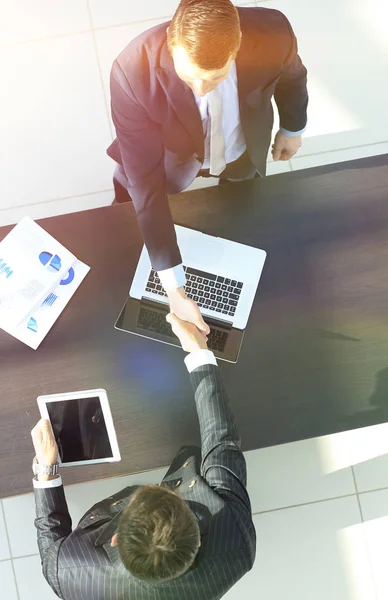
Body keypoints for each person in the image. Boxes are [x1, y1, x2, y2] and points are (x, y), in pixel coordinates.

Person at [107, 0, 308, 332]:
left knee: (242, 213)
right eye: (191, 77)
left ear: (238, 45)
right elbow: (145, 180)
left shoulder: (274, 33)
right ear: (172, 41)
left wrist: (292, 128)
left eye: (215, 78)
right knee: (128, 216)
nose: (201, 89)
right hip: (164, 158)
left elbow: (292, 77)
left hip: (239, 148)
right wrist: (172, 284)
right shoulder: (132, 70)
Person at [31, 314, 256, 599]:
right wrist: (199, 354)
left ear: (115, 538)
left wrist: (46, 473)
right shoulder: (236, 541)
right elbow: (222, 442)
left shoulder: (72, 571)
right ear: (197, 540)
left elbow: (52, 545)